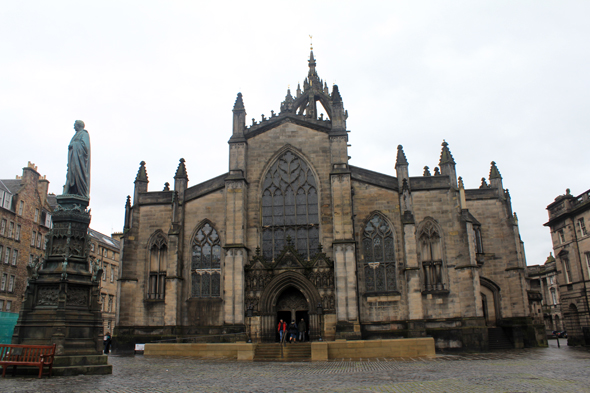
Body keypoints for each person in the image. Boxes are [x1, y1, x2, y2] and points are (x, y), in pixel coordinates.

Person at [64, 120, 91, 197]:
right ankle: (67, 191)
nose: (73, 127)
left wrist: (74, 145)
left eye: (74, 125)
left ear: (78, 125)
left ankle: (78, 190)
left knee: (76, 174)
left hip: (79, 161)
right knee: (70, 174)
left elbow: (85, 147)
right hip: (73, 159)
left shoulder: (84, 134)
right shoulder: (76, 134)